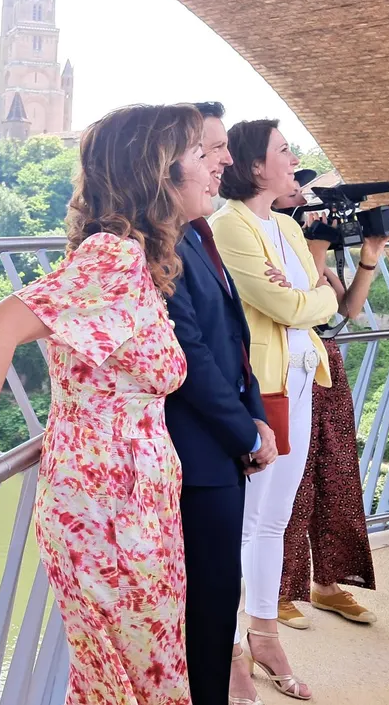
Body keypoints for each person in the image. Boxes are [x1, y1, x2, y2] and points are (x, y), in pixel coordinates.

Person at [0, 103, 209, 705]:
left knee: (126, 683)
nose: (216, 166)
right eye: (200, 154)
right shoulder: (113, 258)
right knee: (139, 686)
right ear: (157, 171)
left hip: (127, 504)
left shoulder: (131, 261)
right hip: (109, 513)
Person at [211, 120, 339, 703]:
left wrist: (309, 296)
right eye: (283, 151)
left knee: (275, 521)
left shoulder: (286, 225)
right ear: (255, 166)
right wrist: (313, 296)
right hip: (261, 390)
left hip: (301, 380)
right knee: (244, 523)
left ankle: (264, 634)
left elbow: (310, 300)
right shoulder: (227, 226)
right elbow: (289, 304)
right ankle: (230, 648)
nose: (294, 159)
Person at [165, 100, 277, 705]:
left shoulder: (196, 232)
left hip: (219, 450)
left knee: (214, 605)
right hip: (195, 457)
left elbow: (233, 339)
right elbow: (192, 356)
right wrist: (247, 434)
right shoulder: (155, 247)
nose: (225, 161)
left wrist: (255, 414)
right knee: (202, 613)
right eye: (209, 149)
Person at [269, 176, 389, 629]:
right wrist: (315, 247)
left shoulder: (306, 247)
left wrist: (369, 256)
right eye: (295, 189)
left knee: (335, 472)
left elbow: (346, 311)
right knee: (293, 480)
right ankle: (280, 588)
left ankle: (328, 583)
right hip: (288, 368)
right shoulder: (270, 248)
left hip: (326, 366)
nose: (305, 198)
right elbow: (305, 306)